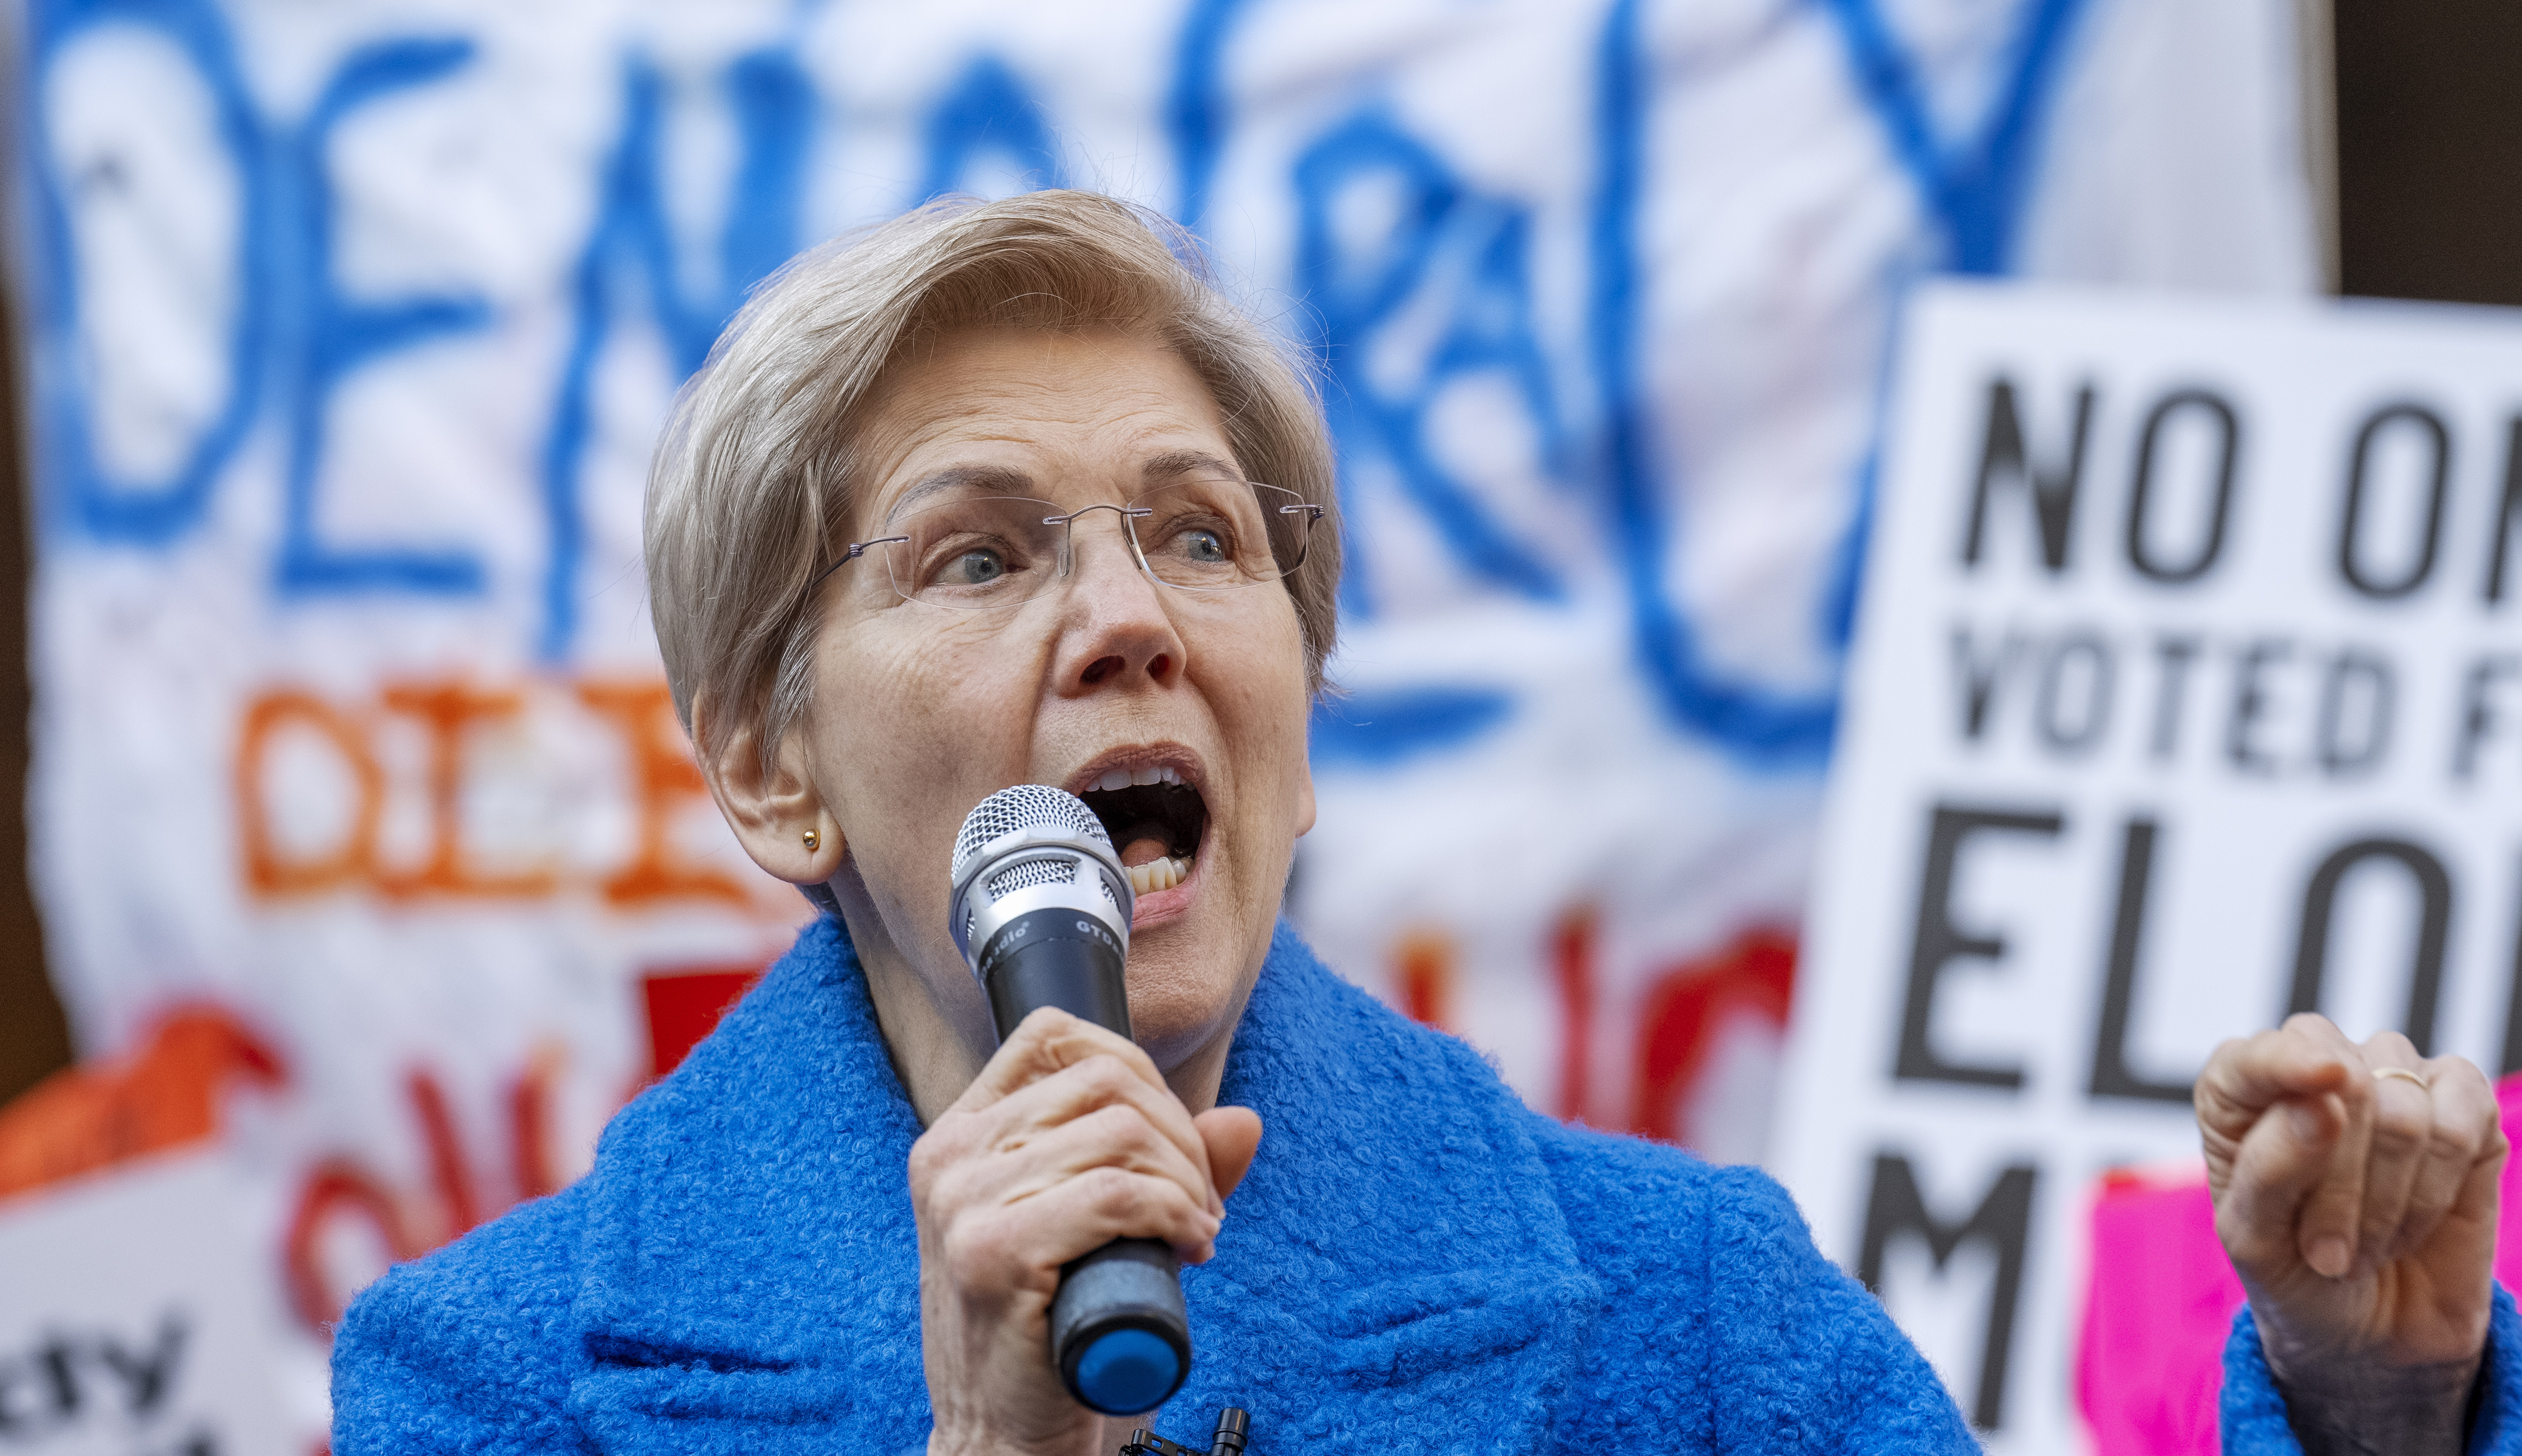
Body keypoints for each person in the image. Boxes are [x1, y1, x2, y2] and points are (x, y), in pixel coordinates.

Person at [331, 191, 2515, 1455]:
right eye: (979, 557)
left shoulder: (1691, 1319)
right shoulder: (490, 1382)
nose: (1123, 623)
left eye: (1201, 541)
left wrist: (2371, 1407)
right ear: (764, 759)